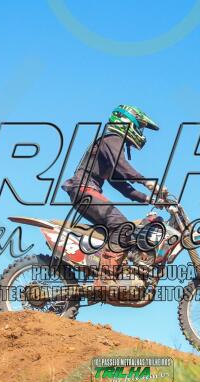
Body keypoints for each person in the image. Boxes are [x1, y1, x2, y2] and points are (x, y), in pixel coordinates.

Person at [61, 105, 165, 284]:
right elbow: (122, 166)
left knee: (121, 230)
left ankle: (111, 271)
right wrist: (146, 182)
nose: (140, 132)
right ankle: (105, 279)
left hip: (84, 191)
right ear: (127, 123)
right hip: (84, 188)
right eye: (139, 127)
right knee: (122, 226)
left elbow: (120, 184)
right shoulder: (112, 139)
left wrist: (149, 199)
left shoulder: (112, 144)